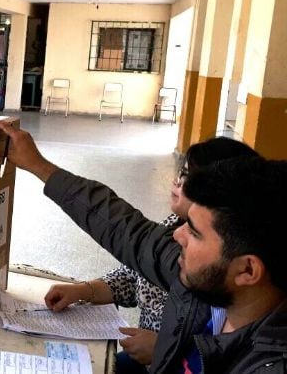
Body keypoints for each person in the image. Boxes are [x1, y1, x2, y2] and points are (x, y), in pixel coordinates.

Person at [0, 120, 287, 373]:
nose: (176, 236)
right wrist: (38, 165)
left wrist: (163, 350)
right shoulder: (212, 284)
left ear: (248, 270)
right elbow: (127, 230)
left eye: (195, 233)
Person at [43, 137, 258, 373]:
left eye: (188, 177)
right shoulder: (178, 228)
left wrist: (166, 350)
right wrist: (86, 291)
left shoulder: (217, 279)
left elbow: (127, 232)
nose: (178, 238)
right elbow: (136, 261)